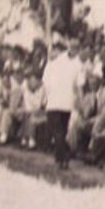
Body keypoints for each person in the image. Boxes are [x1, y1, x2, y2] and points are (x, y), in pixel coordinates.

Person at [42, 40, 84, 169]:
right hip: (67, 102)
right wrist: (80, 101)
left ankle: (62, 159)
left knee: (58, 132)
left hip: (55, 102)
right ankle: (61, 157)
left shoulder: (52, 64)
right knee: (61, 131)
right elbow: (80, 86)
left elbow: (46, 84)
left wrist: (46, 98)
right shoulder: (77, 64)